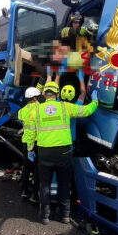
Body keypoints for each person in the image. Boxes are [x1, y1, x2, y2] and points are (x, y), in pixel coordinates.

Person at [28, 81, 99, 225]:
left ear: (43, 94)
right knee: (64, 184)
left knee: (45, 185)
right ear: (58, 95)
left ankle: (45, 216)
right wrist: (96, 101)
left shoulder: (36, 110)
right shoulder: (65, 107)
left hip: (44, 153)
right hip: (64, 153)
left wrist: (30, 149)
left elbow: (30, 132)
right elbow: (86, 111)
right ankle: (65, 215)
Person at [18, 87, 41, 203]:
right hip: (35, 143)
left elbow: (22, 120)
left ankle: (25, 191)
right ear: (35, 98)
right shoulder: (38, 108)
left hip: (25, 142)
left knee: (26, 167)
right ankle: (34, 195)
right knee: (36, 169)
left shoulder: (22, 111)